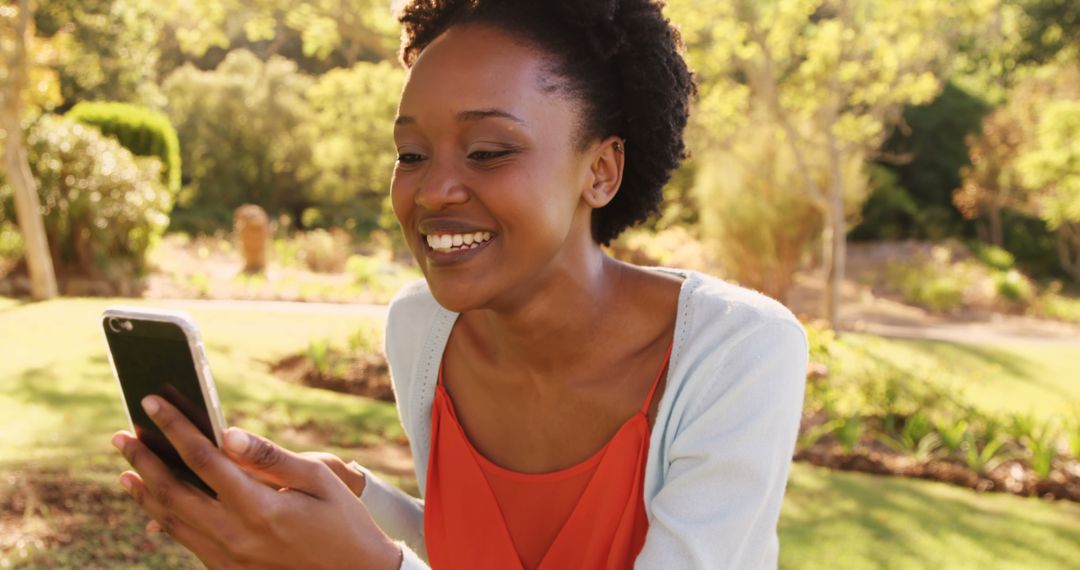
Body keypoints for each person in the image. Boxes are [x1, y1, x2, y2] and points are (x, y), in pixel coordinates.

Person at [110, 1, 808, 568]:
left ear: (600, 170)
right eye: (411, 153)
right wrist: (353, 496)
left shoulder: (736, 352)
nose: (434, 189)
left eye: (488, 152)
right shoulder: (423, 329)